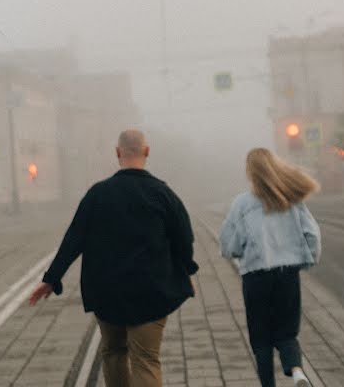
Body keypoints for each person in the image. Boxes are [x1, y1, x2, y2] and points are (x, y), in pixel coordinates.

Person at [28, 129, 198, 387]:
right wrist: (186, 268)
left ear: (117, 153)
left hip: (108, 293)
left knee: (114, 352)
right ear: (147, 152)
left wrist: (51, 279)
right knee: (146, 359)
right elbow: (184, 239)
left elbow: (73, 239)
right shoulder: (163, 194)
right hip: (151, 291)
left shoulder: (98, 194)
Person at [219, 147, 321, 387]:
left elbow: (228, 242)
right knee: (287, 332)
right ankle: (297, 373)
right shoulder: (291, 200)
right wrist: (307, 258)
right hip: (287, 274)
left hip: (256, 277)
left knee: (261, 339)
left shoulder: (242, 203)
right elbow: (312, 234)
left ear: (250, 173)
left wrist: (235, 252)